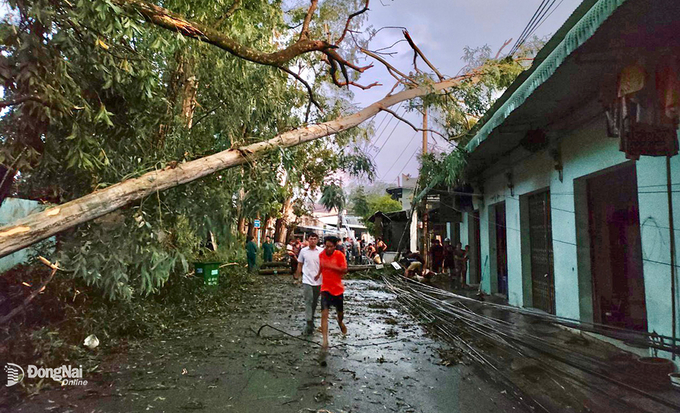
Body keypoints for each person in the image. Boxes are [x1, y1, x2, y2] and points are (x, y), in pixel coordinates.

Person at [316, 236, 348, 348]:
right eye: (326, 246)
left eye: (330, 247)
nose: (328, 249)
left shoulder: (340, 255)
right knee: (324, 314)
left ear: (335, 246)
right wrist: (318, 274)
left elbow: (344, 270)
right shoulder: (321, 255)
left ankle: (340, 323)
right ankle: (325, 340)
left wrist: (332, 266)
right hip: (325, 289)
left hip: (338, 289)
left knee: (340, 314)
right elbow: (321, 265)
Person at [295, 233, 322, 335]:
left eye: (315, 239)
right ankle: (308, 323)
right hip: (307, 279)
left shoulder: (321, 251)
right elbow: (300, 264)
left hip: (318, 280)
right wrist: (297, 276)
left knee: (314, 302)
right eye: (311, 239)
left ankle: (312, 319)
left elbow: (324, 265)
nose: (313, 241)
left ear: (317, 240)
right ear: (308, 240)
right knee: (308, 300)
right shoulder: (303, 251)